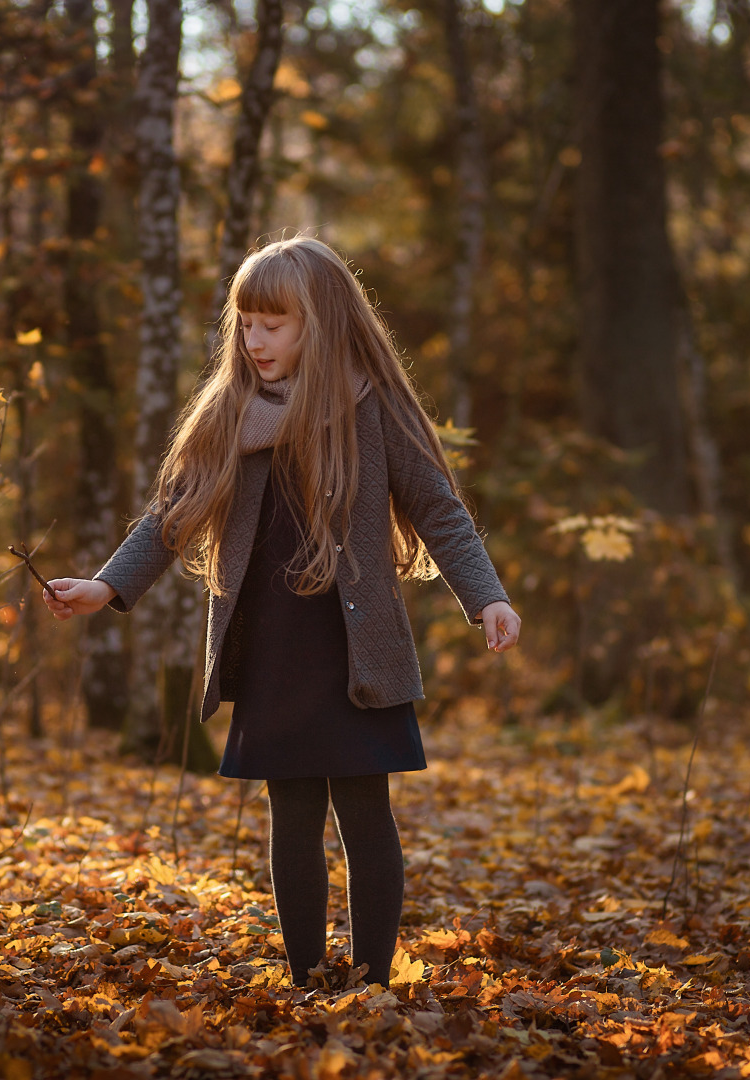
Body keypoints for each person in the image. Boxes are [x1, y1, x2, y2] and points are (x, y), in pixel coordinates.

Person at [40, 236, 520, 989]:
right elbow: (173, 513)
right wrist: (105, 586)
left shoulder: (374, 406)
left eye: (274, 323)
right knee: (291, 811)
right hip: (270, 644)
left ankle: (370, 979)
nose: (255, 340)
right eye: (247, 323)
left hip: (354, 645)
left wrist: (486, 595)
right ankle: (303, 978)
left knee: (364, 810)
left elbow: (438, 508)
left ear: (320, 323)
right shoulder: (232, 413)